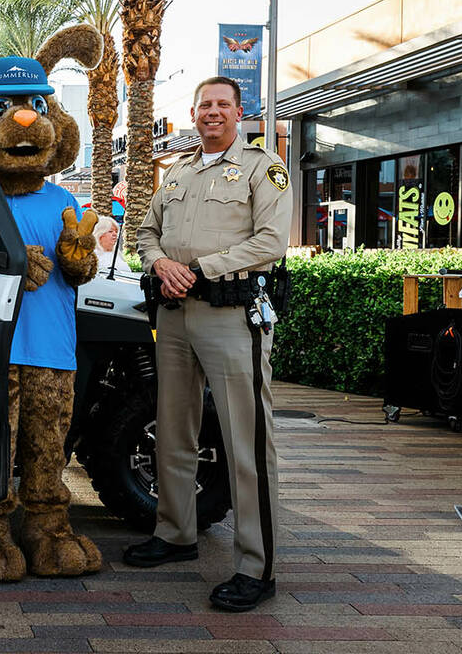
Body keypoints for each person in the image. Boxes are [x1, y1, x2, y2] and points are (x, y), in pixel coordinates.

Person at [126, 77, 293, 612]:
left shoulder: (263, 168)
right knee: (174, 428)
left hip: (232, 315)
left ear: (239, 112)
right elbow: (145, 231)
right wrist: (160, 264)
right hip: (175, 315)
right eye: (205, 106)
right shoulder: (177, 171)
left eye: (223, 104)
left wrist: (198, 271)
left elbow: (271, 241)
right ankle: (176, 532)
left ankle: (256, 566)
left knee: (246, 441)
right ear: (194, 114)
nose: (213, 112)